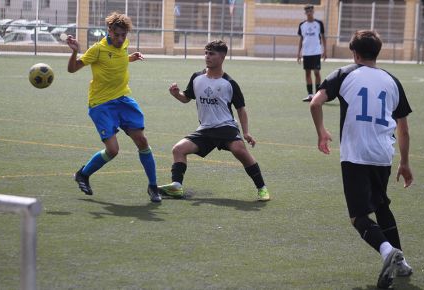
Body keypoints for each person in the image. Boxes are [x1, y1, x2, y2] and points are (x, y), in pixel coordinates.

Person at [310, 30, 413, 289]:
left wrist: (321, 132)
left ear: (354, 53)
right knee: (381, 205)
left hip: (356, 155)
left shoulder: (345, 73)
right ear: (378, 52)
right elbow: (404, 128)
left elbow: (315, 102)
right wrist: (405, 162)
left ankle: (387, 250)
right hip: (382, 154)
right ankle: (400, 262)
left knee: (358, 217)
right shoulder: (392, 81)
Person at [158, 40, 270, 202]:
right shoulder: (197, 78)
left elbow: (241, 109)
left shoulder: (229, 84)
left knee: (240, 151)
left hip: (226, 128)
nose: (207, 57)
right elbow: (186, 98)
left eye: (212, 54)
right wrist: (176, 94)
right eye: (206, 53)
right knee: (178, 149)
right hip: (205, 129)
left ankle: (262, 188)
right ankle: (176, 186)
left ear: (222, 57)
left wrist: (246, 132)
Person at [66, 12, 161, 203]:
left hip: (123, 99)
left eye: (123, 36)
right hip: (101, 104)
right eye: (116, 35)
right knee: (113, 150)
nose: (120, 39)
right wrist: (75, 51)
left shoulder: (124, 45)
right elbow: (72, 68)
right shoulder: (97, 49)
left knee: (142, 141)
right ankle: (83, 174)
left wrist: (131, 58)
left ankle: (153, 186)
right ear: (108, 31)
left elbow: (118, 59)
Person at [297, 4, 327, 102]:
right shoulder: (302, 25)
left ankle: (318, 94)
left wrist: (325, 50)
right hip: (306, 53)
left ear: (313, 12)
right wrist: (299, 52)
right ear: (305, 13)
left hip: (316, 52)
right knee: (307, 73)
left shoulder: (319, 23)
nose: (309, 13)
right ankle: (310, 95)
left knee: (316, 72)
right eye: (307, 11)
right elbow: (301, 39)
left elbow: (323, 37)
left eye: (310, 11)